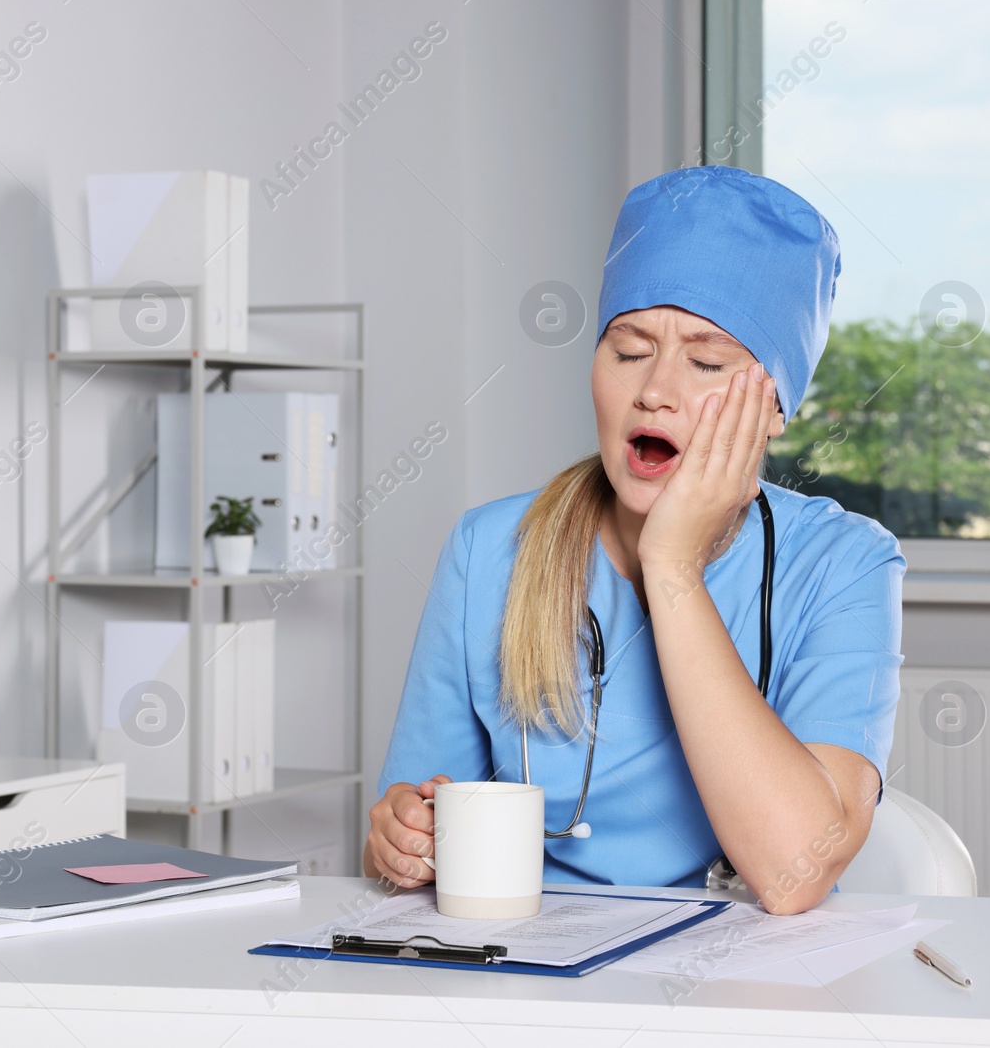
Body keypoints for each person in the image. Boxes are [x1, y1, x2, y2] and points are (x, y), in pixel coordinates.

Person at [364, 165, 905, 915]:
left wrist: (671, 562)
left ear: (775, 407)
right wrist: (401, 837)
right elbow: (411, 828)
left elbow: (793, 872)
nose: (656, 389)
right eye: (628, 350)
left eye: (707, 361)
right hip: (527, 981)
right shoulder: (488, 549)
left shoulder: (846, 563)